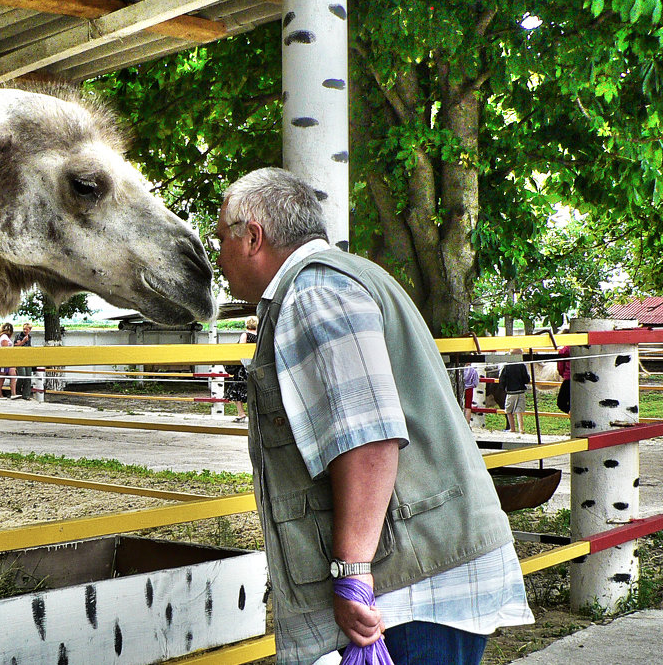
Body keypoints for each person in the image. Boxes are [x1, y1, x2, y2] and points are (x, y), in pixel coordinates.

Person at [212, 168, 531, 665]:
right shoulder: (353, 276)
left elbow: (367, 438)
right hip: (420, 572)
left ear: (252, 236)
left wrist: (351, 571)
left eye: (221, 239)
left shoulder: (315, 291)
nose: (218, 258)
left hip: (406, 588)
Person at [225, 316, 259, 421]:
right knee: (252, 391)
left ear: (246, 325)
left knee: (236, 389)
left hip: (243, 368)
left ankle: (241, 413)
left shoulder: (245, 335)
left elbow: (241, 350)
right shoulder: (259, 337)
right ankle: (254, 414)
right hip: (254, 366)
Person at [500, 350, 530, 434]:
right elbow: (526, 379)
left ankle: (512, 428)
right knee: (519, 410)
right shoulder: (522, 366)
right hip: (521, 391)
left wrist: (503, 388)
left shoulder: (507, 366)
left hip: (510, 392)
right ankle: (521, 429)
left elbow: (502, 379)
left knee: (509, 411)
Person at [0, 323, 15, 398]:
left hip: (9, 360)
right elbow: (5, 348)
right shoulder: (4, 338)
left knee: (13, 375)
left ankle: (13, 393)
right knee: (1, 377)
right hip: (4, 360)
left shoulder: (5, 337)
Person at [14, 322, 34, 399]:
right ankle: (17, 392)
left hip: (27, 359)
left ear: (30, 330)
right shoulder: (19, 336)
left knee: (28, 377)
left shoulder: (29, 337)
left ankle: (26, 395)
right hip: (20, 359)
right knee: (22, 376)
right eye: (24, 329)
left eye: (27, 329)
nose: (25, 330)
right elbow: (16, 345)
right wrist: (23, 341)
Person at [556, 345, 571, 414]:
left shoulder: (564, 350)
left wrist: (564, 375)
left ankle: (571, 413)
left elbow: (560, 368)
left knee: (561, 403)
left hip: (569, 379)